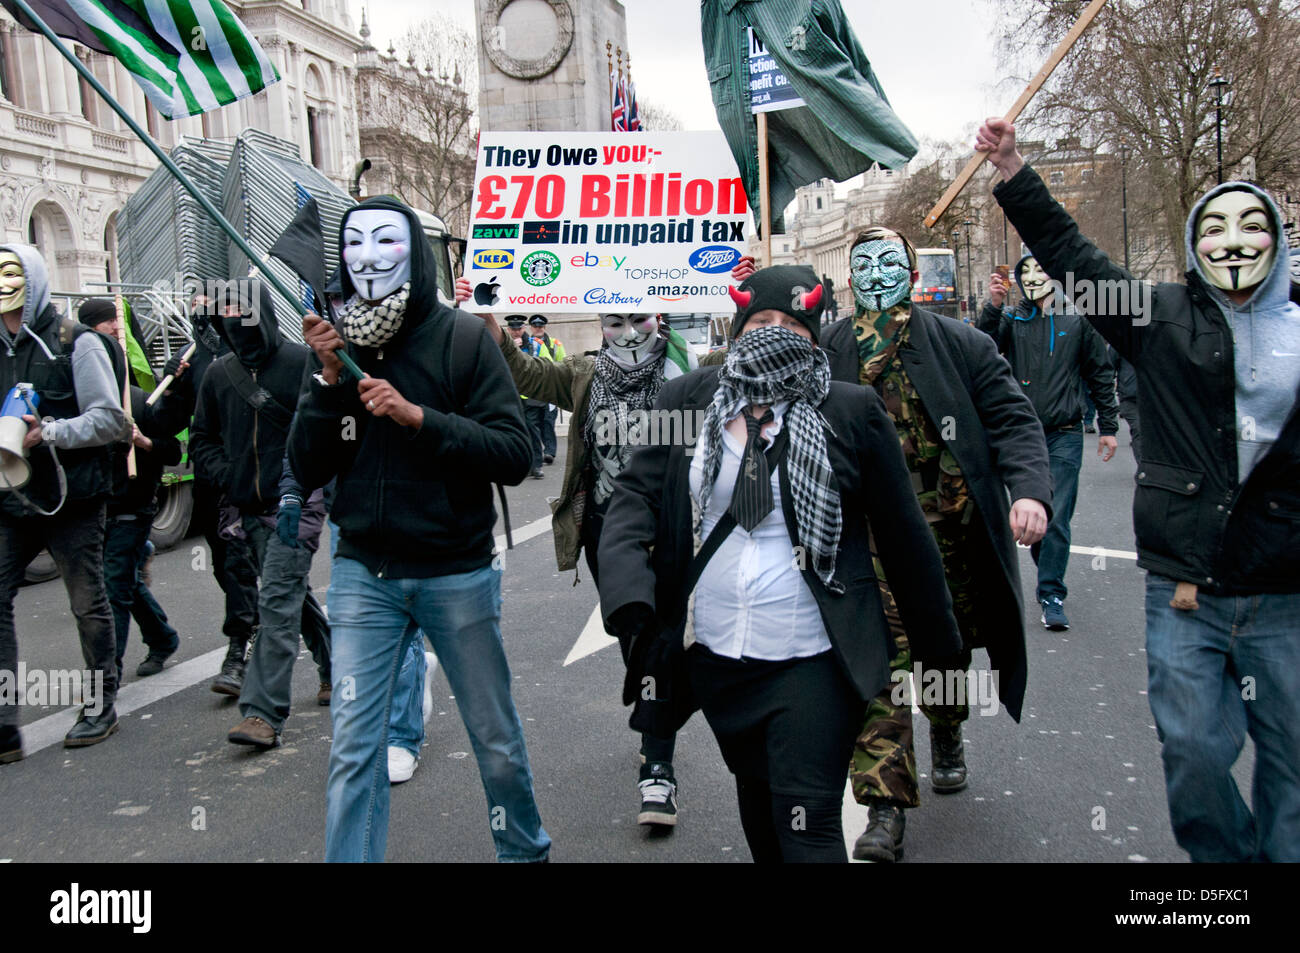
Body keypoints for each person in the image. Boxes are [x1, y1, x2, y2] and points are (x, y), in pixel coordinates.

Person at [978, 116, 1300, 862]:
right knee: (1191, 749)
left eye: (1254, 225)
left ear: (1278, 240)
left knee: (1289, 760)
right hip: (1186, 580)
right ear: (1194, 245)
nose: (1234, 242)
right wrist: (1014, 167)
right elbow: (1073, 257)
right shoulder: (1160, 315)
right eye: (1214, 228)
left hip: (1285, 586)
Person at [598, 264, 963, 862]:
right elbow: (635, 496)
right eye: (761, 321)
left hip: (811, 654)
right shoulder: (686, 398)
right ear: (739, 329)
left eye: (792, 324)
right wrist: (629, 597)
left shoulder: (850, 410)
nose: (774, 332)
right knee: (760, 809)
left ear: (814, 337)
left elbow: (904, 535)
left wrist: (939, 643)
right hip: (716, 653)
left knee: (806, 823)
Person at [737, 228, 1052, 862]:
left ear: (909, 270)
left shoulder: (962, 343)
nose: (877, 274)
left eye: (889, 262)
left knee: (946, 648)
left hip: (949, 533)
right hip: (869, 535)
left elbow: (1014, 419)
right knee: (883, 659)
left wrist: (1030, 491)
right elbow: (764, 383)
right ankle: (884, 808)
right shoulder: (831, 345)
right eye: (864, 265)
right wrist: (749, 303)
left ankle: (948, 728)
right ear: (849, 278)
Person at [291, 196, 549, 862]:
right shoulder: (337, 345)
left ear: (414, 247)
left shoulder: (462, 338)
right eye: (354, 244)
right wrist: (326, 384)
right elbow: (307, 462)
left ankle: (525, 852)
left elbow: (514, 453)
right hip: (363, 574)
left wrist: (419, 418)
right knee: (353, 747)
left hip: (455, 571)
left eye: (384, 240)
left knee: (493, 737)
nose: (368, 257)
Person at [454, 276, 697, 826]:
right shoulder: (584, 373)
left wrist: (746, 294)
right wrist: (492, 327)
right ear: (600, 326)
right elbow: (528, 377)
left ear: (659, 317)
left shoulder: (692, 373)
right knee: (632, 632)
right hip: (608, 533)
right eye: (616, 321)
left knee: (659, 639)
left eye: (640, 319)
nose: (629, 331)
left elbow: (756, 360)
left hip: (672, 528)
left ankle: (657, 767)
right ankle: (653, 708)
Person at [187, 280, 331, 748]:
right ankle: (336, 668)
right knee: (288, 592)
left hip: (297, 503)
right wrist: (225, 474)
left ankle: (263, 713)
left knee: (274, 603)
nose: (233, 318)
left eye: (240, 308)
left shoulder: (299, 363)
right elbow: (202, 437)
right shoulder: (218, 375)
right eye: (223, 309)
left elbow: (330, 426)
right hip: (245, 507)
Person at [0, 244, 127, 759]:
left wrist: (48, 433)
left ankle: (102, 703)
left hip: (72, 497)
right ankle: (4, 724)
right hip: (10, 498)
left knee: (86, 601)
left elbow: (110, 419)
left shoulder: (75, 342)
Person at [978, 255, 1120, 630]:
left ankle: (1052, 594)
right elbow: (982, 349)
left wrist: (1108, 426)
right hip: (1022, 435)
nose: (1033, 278)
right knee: (1036, 517)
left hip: (1066, 433)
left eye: (1040, 270)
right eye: (1026, 272)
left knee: (1055, 515)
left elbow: (1099, 373)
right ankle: (1050, 572)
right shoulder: (1012, 319)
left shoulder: (1079, 320)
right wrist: (994, 308)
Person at [77, 298, 187, 681]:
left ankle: (106, 677)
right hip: (95, 509)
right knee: (125, 581)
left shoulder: (138, 401)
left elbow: (175, 448)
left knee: (113, 588)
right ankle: (163, 637)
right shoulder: (81, 407)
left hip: (133, 508)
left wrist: (143, 443)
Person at [506, 316, 546, 479]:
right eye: (513, 329)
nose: (516, 332)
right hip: (510, 395)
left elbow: (547, 364)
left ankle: (536, 465)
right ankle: (521, 463)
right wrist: (510, 349)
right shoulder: (501, 344)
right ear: (508, 330)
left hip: (530, 395)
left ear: (523, 328)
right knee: (514, 431)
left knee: (532, 430)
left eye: (519, 328)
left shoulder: (536, 344)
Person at [528, 315, 565, 464]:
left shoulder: (556, 344)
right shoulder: (526, 343)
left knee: (549, 421)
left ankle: (549, 452)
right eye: (535, 326)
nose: (538, 329)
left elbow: (562, 364)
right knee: (535, 423)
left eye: (541, 326)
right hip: (532, 390)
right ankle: (538, 452)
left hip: (550, 388)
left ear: (545, 327)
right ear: (531, 327)